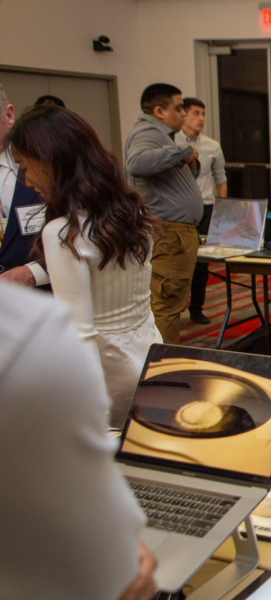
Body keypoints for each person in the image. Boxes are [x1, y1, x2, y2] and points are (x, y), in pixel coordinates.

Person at [0, 281, 157, 599]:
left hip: (111, 367)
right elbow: (117, 577)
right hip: (136, 360)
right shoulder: (27, 333)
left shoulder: (28, 331)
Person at [8, 105, 160, 429]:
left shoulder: (62, 232)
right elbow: (103, 265)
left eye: (25, 165)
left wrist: (90, 417)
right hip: (147, 354)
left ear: (50, 160)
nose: (26, 178)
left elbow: (80, 335)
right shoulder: (130, 211)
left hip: (104, 376)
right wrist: (33, 273)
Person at [125, 83, 203, 344]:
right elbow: (137, 163)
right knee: (166, 307)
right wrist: (183, 151)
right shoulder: (148, 131)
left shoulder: (162, 136)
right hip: (169, 234)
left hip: (175, 233)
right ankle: (162, 373)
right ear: (159, 111)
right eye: (178, 108)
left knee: (170, 304)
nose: (183, 114)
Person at [177, 97, 228, 325]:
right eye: (196, 113)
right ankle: (174, 307)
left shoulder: (212, 145)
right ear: (183, 115)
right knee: (178, 261)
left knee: (201, 262)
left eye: (203, 114)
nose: (201, 119)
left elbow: (221, 178)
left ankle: (196, 308)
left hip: (206, 207)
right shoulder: (172, 142)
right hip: (179, 210)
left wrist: (222, 210)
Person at [0, 83, 48, 287]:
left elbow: (87, 233)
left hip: (43, 301)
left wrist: (34, 272)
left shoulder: (47, 163)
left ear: (9, 115)